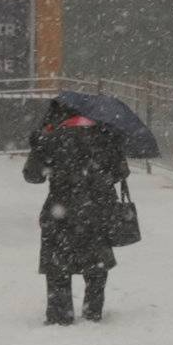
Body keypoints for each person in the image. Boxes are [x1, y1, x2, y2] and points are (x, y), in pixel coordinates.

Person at [22, 100, 131, 326]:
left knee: (59, 262)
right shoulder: (105, 137)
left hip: (61, 210)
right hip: (98, 210)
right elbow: (121, 173)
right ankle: (93, 310)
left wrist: (40, 144)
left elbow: (33, 176)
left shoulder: (50, 139)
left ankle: (60, 314)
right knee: (96, 262)